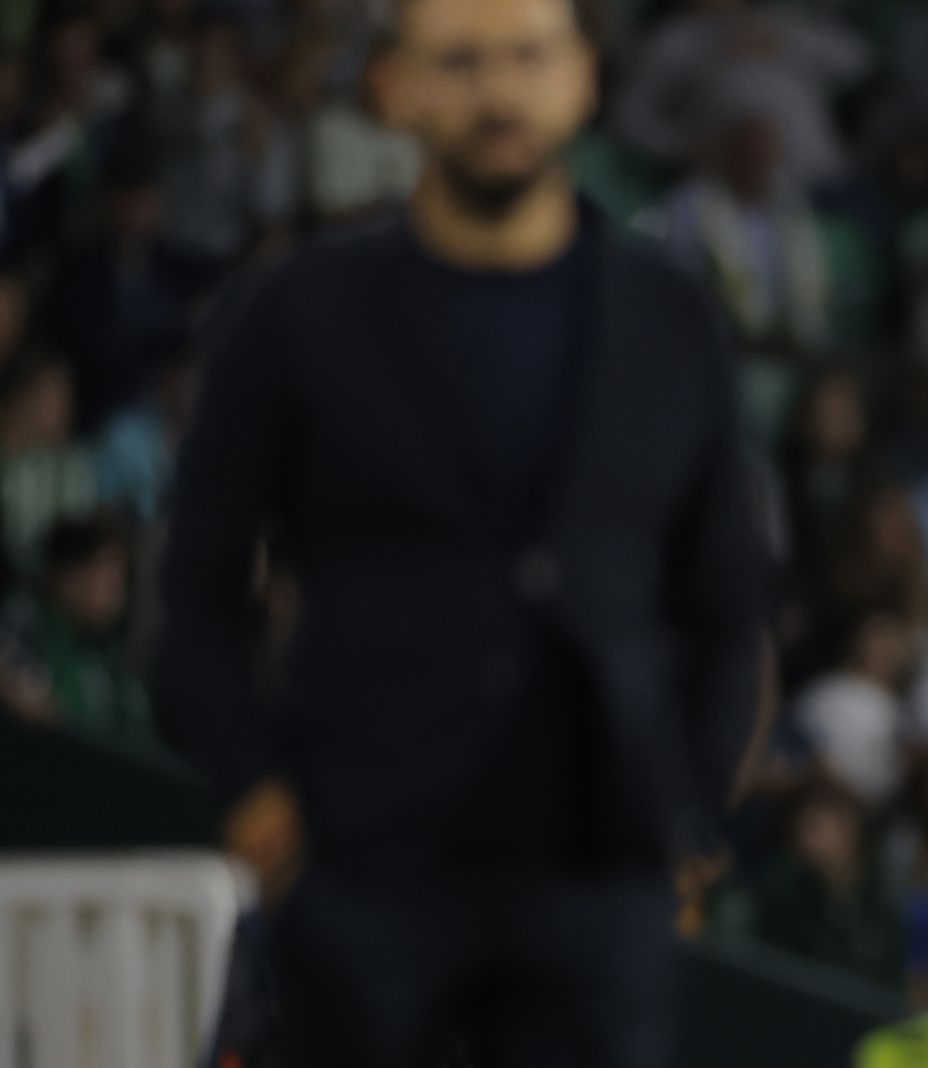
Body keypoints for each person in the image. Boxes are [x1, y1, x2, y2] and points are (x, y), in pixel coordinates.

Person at [149, 0, 766, 1064]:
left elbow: (728, 603)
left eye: (527, 56)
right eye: (461, 61)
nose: (497, 91)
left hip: (600, 871)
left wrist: (689, 819)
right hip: (359, 864)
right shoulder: (297, 314)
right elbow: (197, 587)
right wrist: (252, 787)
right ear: (393, 87)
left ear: (582, 78)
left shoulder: (670, 320)